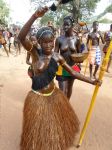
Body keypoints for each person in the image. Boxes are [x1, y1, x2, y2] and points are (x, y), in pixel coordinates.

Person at [18, 6, 101, 150]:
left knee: (53, 126)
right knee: (38, 128)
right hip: (37, 97)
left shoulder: (57, 56)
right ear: (39, 42)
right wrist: (34, 16)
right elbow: (21, 36)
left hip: (54, 95)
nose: (49, 45)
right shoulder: (35, 54)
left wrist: (92, 81)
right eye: (45, 42)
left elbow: (74, 73)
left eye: (51, 41)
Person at [54, 15, 81, 100]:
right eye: (64, 25)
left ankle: (67, 106)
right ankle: (63, 107)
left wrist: (80, 62)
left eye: (67, 25)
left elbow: (79, 54)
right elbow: (55, 54)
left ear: (72, 26)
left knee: (69, 89)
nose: (65, 27)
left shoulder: (77, 39)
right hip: (62, 68)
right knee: (62, 92)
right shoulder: (59, 39)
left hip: (73, 68)